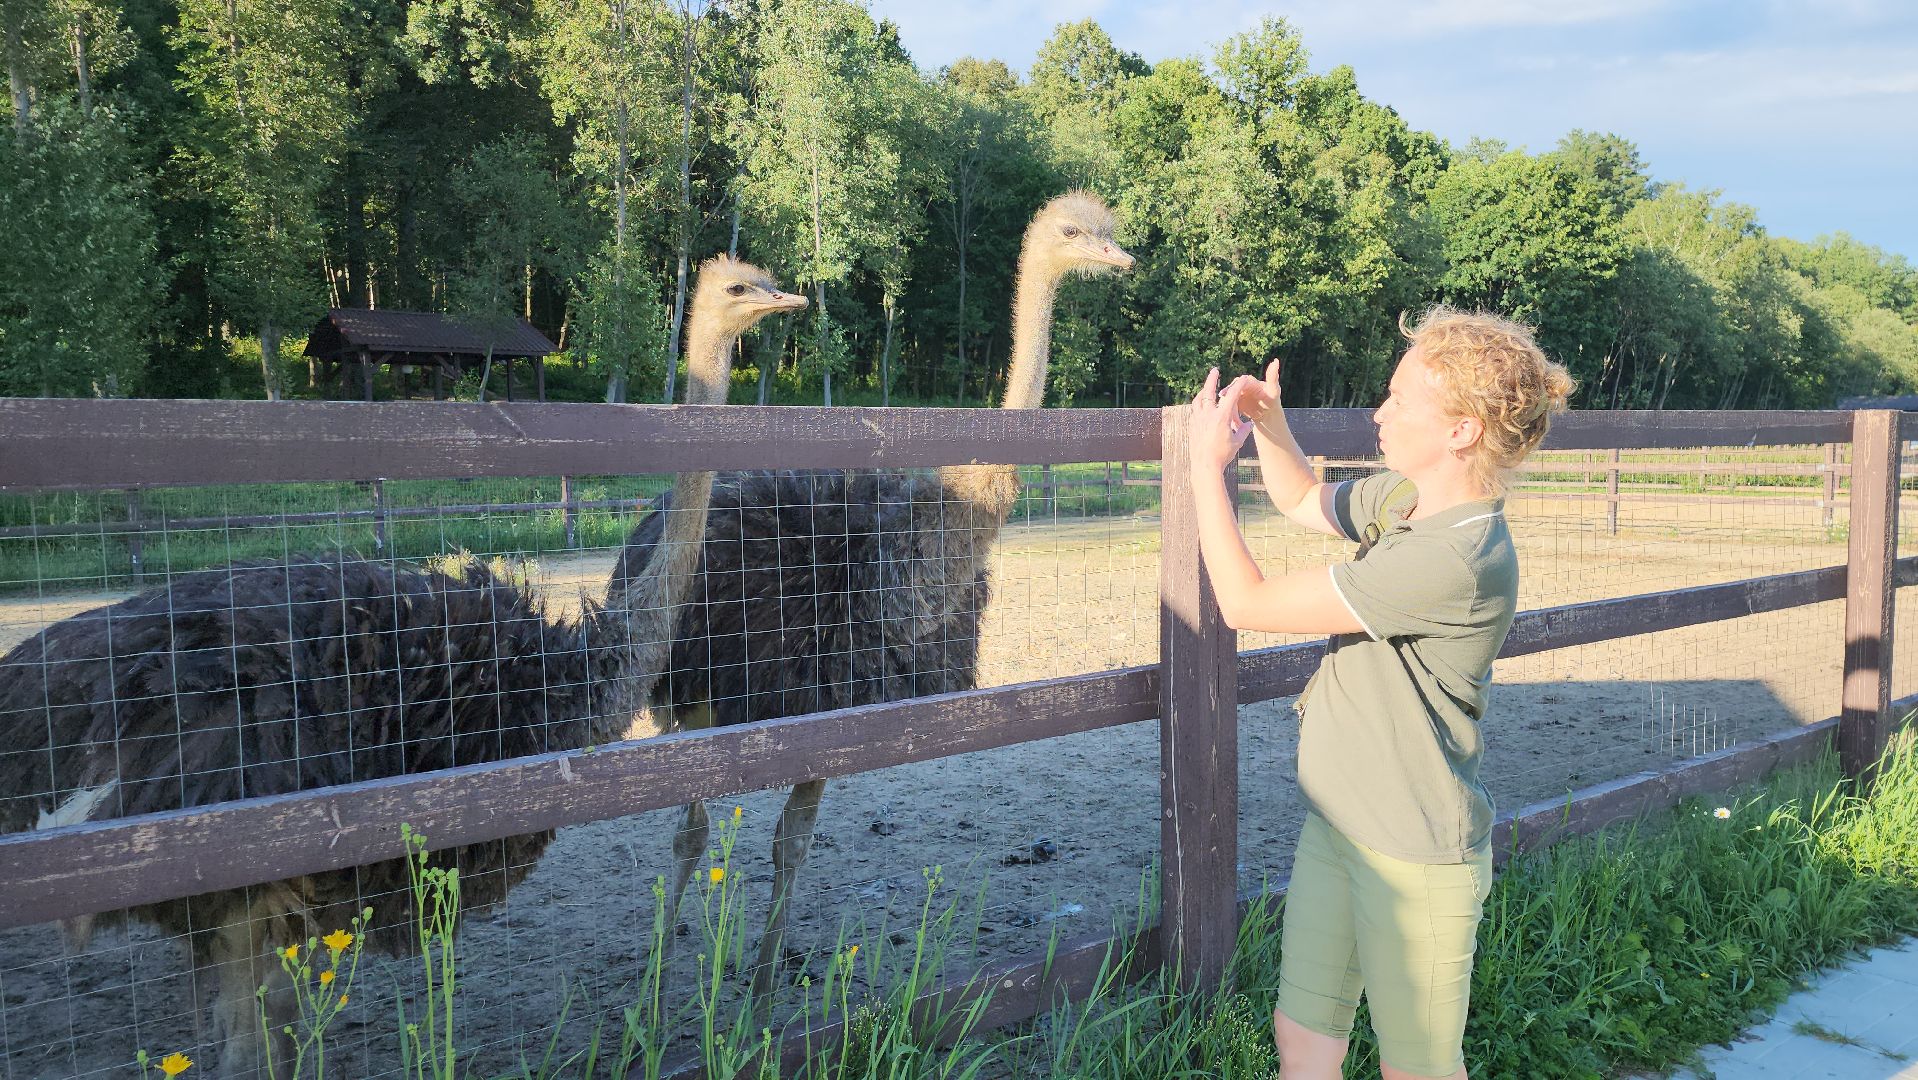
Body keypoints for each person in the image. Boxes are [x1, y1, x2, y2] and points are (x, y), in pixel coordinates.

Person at [1184, 306, 1574, 1080]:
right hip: (1340, 827)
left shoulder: (1455, 557)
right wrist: (1270, 424)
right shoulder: (1407, 501)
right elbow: (1302, 499)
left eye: (1399, 400)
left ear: (1461, 430)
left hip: (1415, 856)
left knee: (1417, 1070)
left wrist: (1202, 470)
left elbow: (1246, 603)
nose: (1379, 412)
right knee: (1302, 1038)